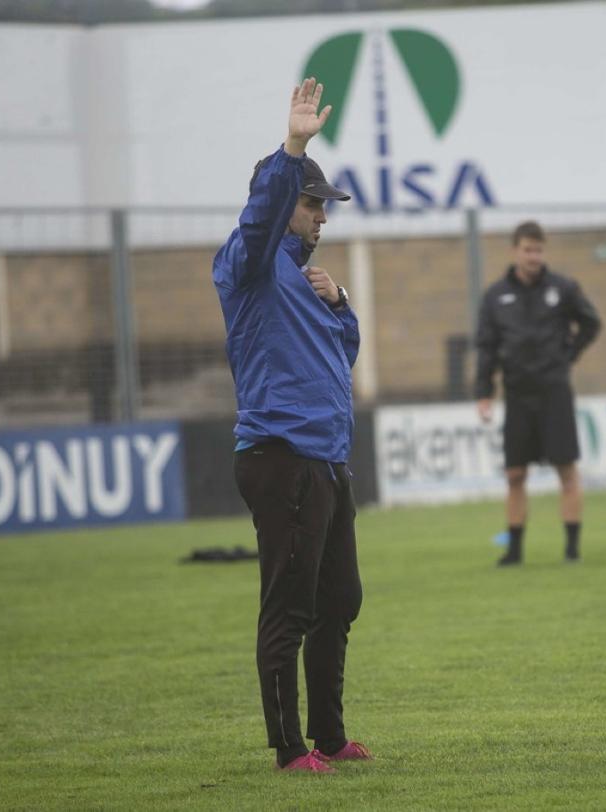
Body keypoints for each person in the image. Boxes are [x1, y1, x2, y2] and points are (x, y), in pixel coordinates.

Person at [213, 77, 370, 773]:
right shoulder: (248, 263)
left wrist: (342, 304)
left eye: (323, 206)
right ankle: (288, 749)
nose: (322, 218)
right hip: (282, 456)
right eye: (313, 204)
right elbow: (259, 219)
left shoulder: (307, 280)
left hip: (325, 459)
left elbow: (341, 357)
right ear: (283, 205)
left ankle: (329, 736)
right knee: (291, 607)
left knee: (339, 599)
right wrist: (292, 150)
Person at [475, 221, 602, 566]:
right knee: (515, 474)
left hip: (554, 391)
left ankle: (572, 550)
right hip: (517, 394)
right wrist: (484, 392)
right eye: (528, 250)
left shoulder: (563, 288)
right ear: (515, 251)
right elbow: (486, 348)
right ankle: (514, 551)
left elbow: (591, 323)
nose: (534, 256)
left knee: (566, 470)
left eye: (539, 250)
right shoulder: (495, 296)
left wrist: (568, 354)